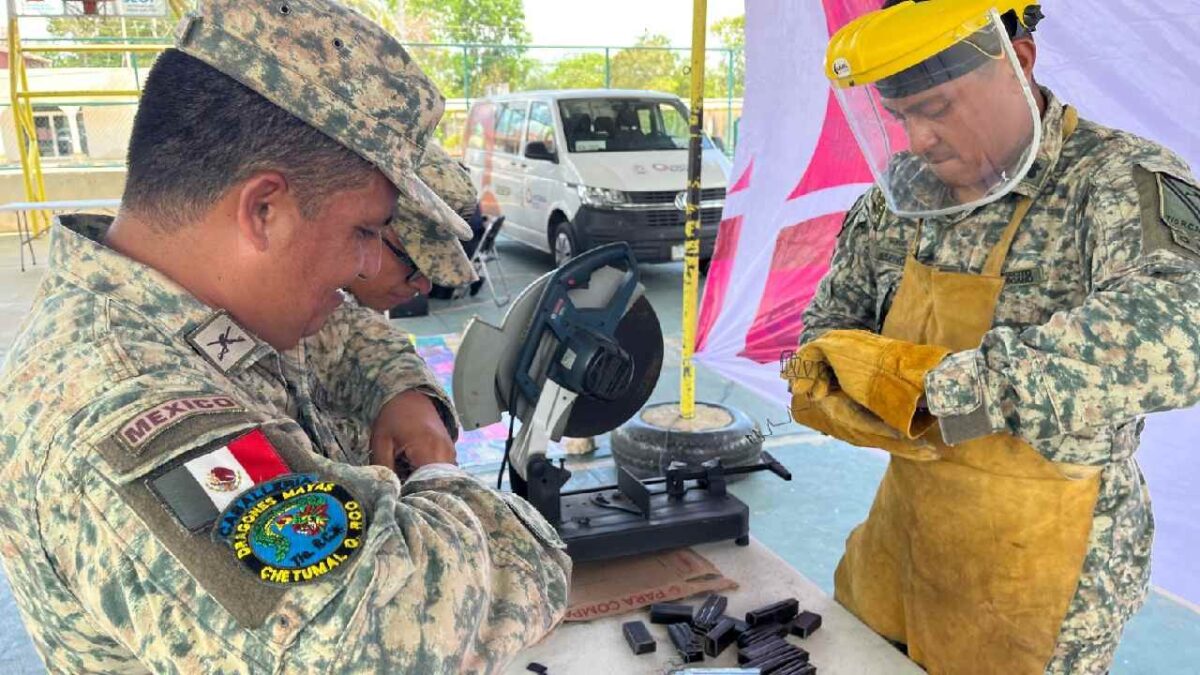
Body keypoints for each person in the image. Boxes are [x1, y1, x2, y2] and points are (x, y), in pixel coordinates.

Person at [0, 1, 571, 672]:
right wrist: (461, 492)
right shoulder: (127, 407)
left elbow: (349, 336)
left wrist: (404, 395)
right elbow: (393, 632)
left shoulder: (205, 308)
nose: (366, 267)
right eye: (363, 232)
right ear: (263, 209)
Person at [787, 2, 1200, 674]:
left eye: (938, 107)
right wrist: (828, 377)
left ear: (1020, 65)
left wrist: (947, 392)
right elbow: (829, 331)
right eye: (902, 117)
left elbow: (1185, 324)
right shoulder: (903, 199)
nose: (918, 138)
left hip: (1044, 565)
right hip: (908, 536)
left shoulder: (1114, 181)